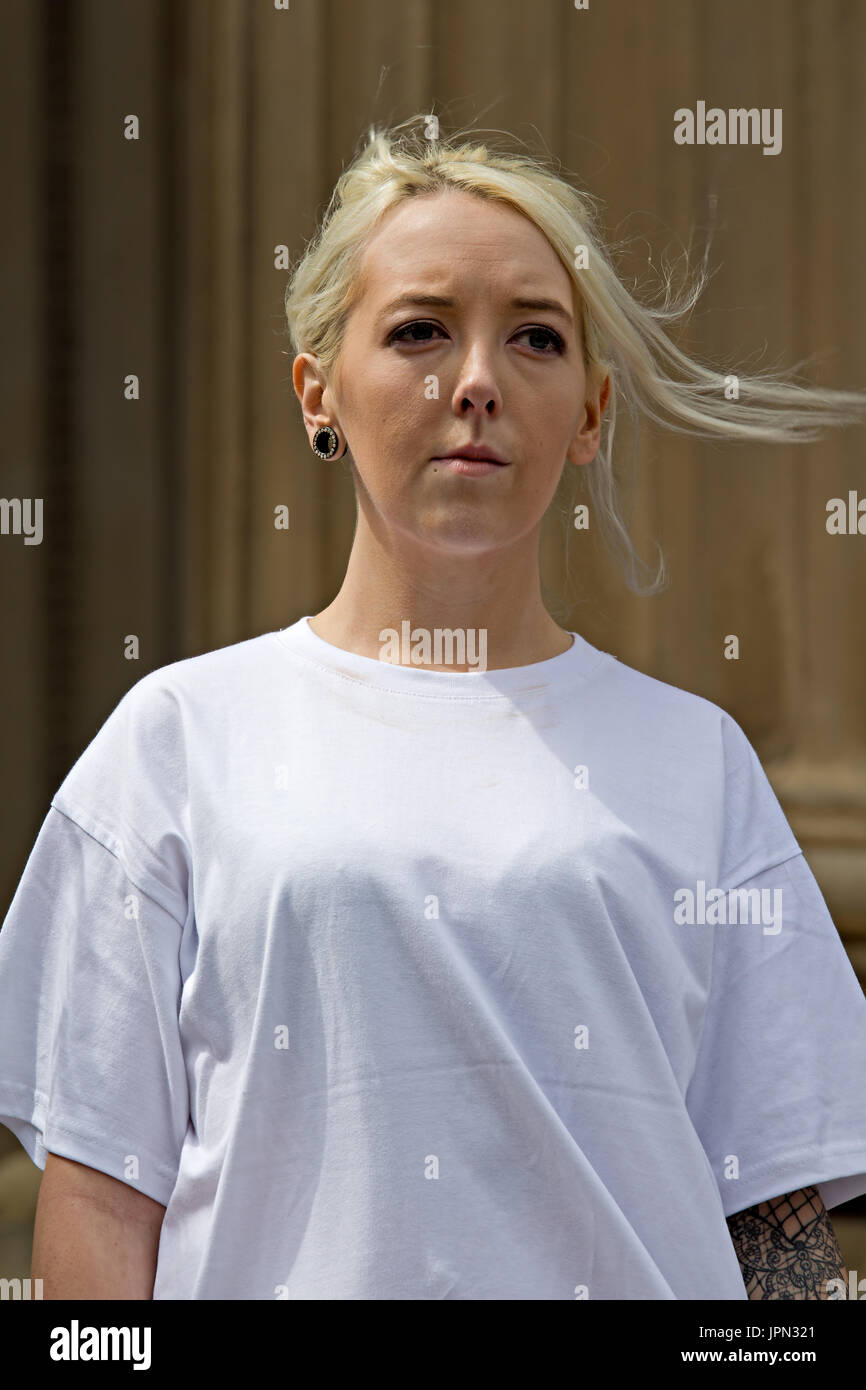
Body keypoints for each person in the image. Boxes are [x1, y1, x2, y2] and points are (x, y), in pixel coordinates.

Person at [2, 119, 866, 1301]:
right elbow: (99, 1205)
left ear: (590, 413)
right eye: (418, 331)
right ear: (318, 391)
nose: (474, 382)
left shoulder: (697, 761)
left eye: (534, 338)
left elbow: (772, 1216)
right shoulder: (175, 739)